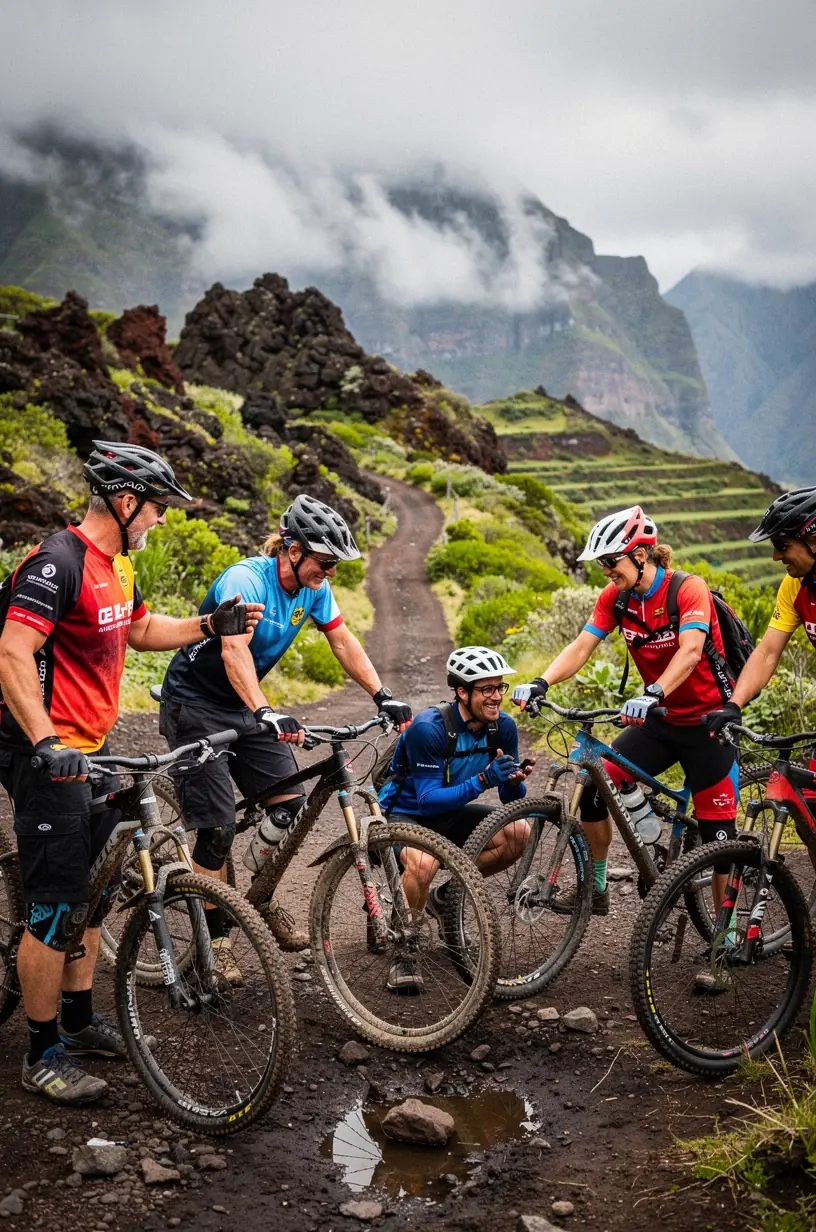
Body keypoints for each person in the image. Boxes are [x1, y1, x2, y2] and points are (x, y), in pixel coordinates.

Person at [0, 440, 261, 1106]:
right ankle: (41, 1051)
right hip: (45, 752)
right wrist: (46, 741)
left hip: (95, 745)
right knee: (55, 906)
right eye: (157, 508)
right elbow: (12, 651)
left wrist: (209, 624)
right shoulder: (55, 564)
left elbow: (139, 630)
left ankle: (81, 1022)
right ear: (124, 501)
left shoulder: (115, 565)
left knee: (98, 886)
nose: (162, 520)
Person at [159, 494, 412, 973]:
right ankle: (216, 943)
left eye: (335, 563)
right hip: (194, 706)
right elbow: (234, 651)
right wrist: (267, 710)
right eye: (325, 561)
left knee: (290, 806)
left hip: (245, 705)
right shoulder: (245, 580)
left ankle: (258, 894)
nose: (331, 571)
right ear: (292, 550)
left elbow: (341, 638)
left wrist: (382, 694)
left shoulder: (312, 589)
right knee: (216, 828)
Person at [512, 505, 738, 934]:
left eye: (610, 562)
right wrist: (542, 682)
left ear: (640, 554)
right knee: (597, 785)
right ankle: (595, 889)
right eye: (601, 564)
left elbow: (691, 652)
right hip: (659, 721)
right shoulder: (616, 598)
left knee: (718, 841)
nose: (605, 572)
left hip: (709, 726)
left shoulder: (688, 590)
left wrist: (654, 690)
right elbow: (583, 645)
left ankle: (724, 940)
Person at [378, 645, 534, 993]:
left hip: (451, 812)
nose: (496, 697)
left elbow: (511, 799)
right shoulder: (429, 728)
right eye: (486, 689)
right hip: (405, 814)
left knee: (519, 833)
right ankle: (405, 950)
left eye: (500, 688)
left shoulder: (502, 727)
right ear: (462, 692)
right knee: (423, 862)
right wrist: (483, 780)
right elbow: (428, 801)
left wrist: (512, 781)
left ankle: (446, 897)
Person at [704, 488, 816, 874]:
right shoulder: (796, 588)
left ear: (813, 537)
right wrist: (733, 704)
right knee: (810, 809)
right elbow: (767, 652)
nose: (776, 556)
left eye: (782, 545)